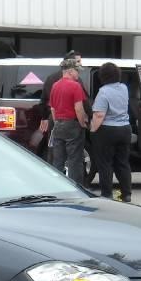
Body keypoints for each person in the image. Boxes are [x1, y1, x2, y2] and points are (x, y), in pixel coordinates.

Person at [89, 61, 132, 202]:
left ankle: (107, 194)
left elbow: (99, 115)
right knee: (123, 162)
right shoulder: (124, 88)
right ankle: (126, 194)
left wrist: (93, 129)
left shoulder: (104, 91)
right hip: (125, 128)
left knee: (105, 163)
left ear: (103, 76)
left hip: (108, 130)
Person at [48, 57, 88, 185]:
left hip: (58, 124)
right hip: (72, 125)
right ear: (70, 71)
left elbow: (52, 108)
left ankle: (57, 187)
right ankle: (76, 188)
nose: (78, 74)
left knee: (58, 160)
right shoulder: (76, 86)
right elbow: (79, 108)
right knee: (75, 160)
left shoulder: (55, 85)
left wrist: (57, 123)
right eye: (78, 71)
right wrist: (82, 123)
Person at [38, 50, 82, 144]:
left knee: (55, 150)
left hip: (54, 119)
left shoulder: (51, 78)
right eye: (78, 62)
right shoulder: (76, 79)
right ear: (70, 64)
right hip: (71, 120)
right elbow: (82, 103)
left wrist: (44, 117)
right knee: (73, 152)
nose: (80, 64)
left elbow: (44, 100)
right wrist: (85, 120)